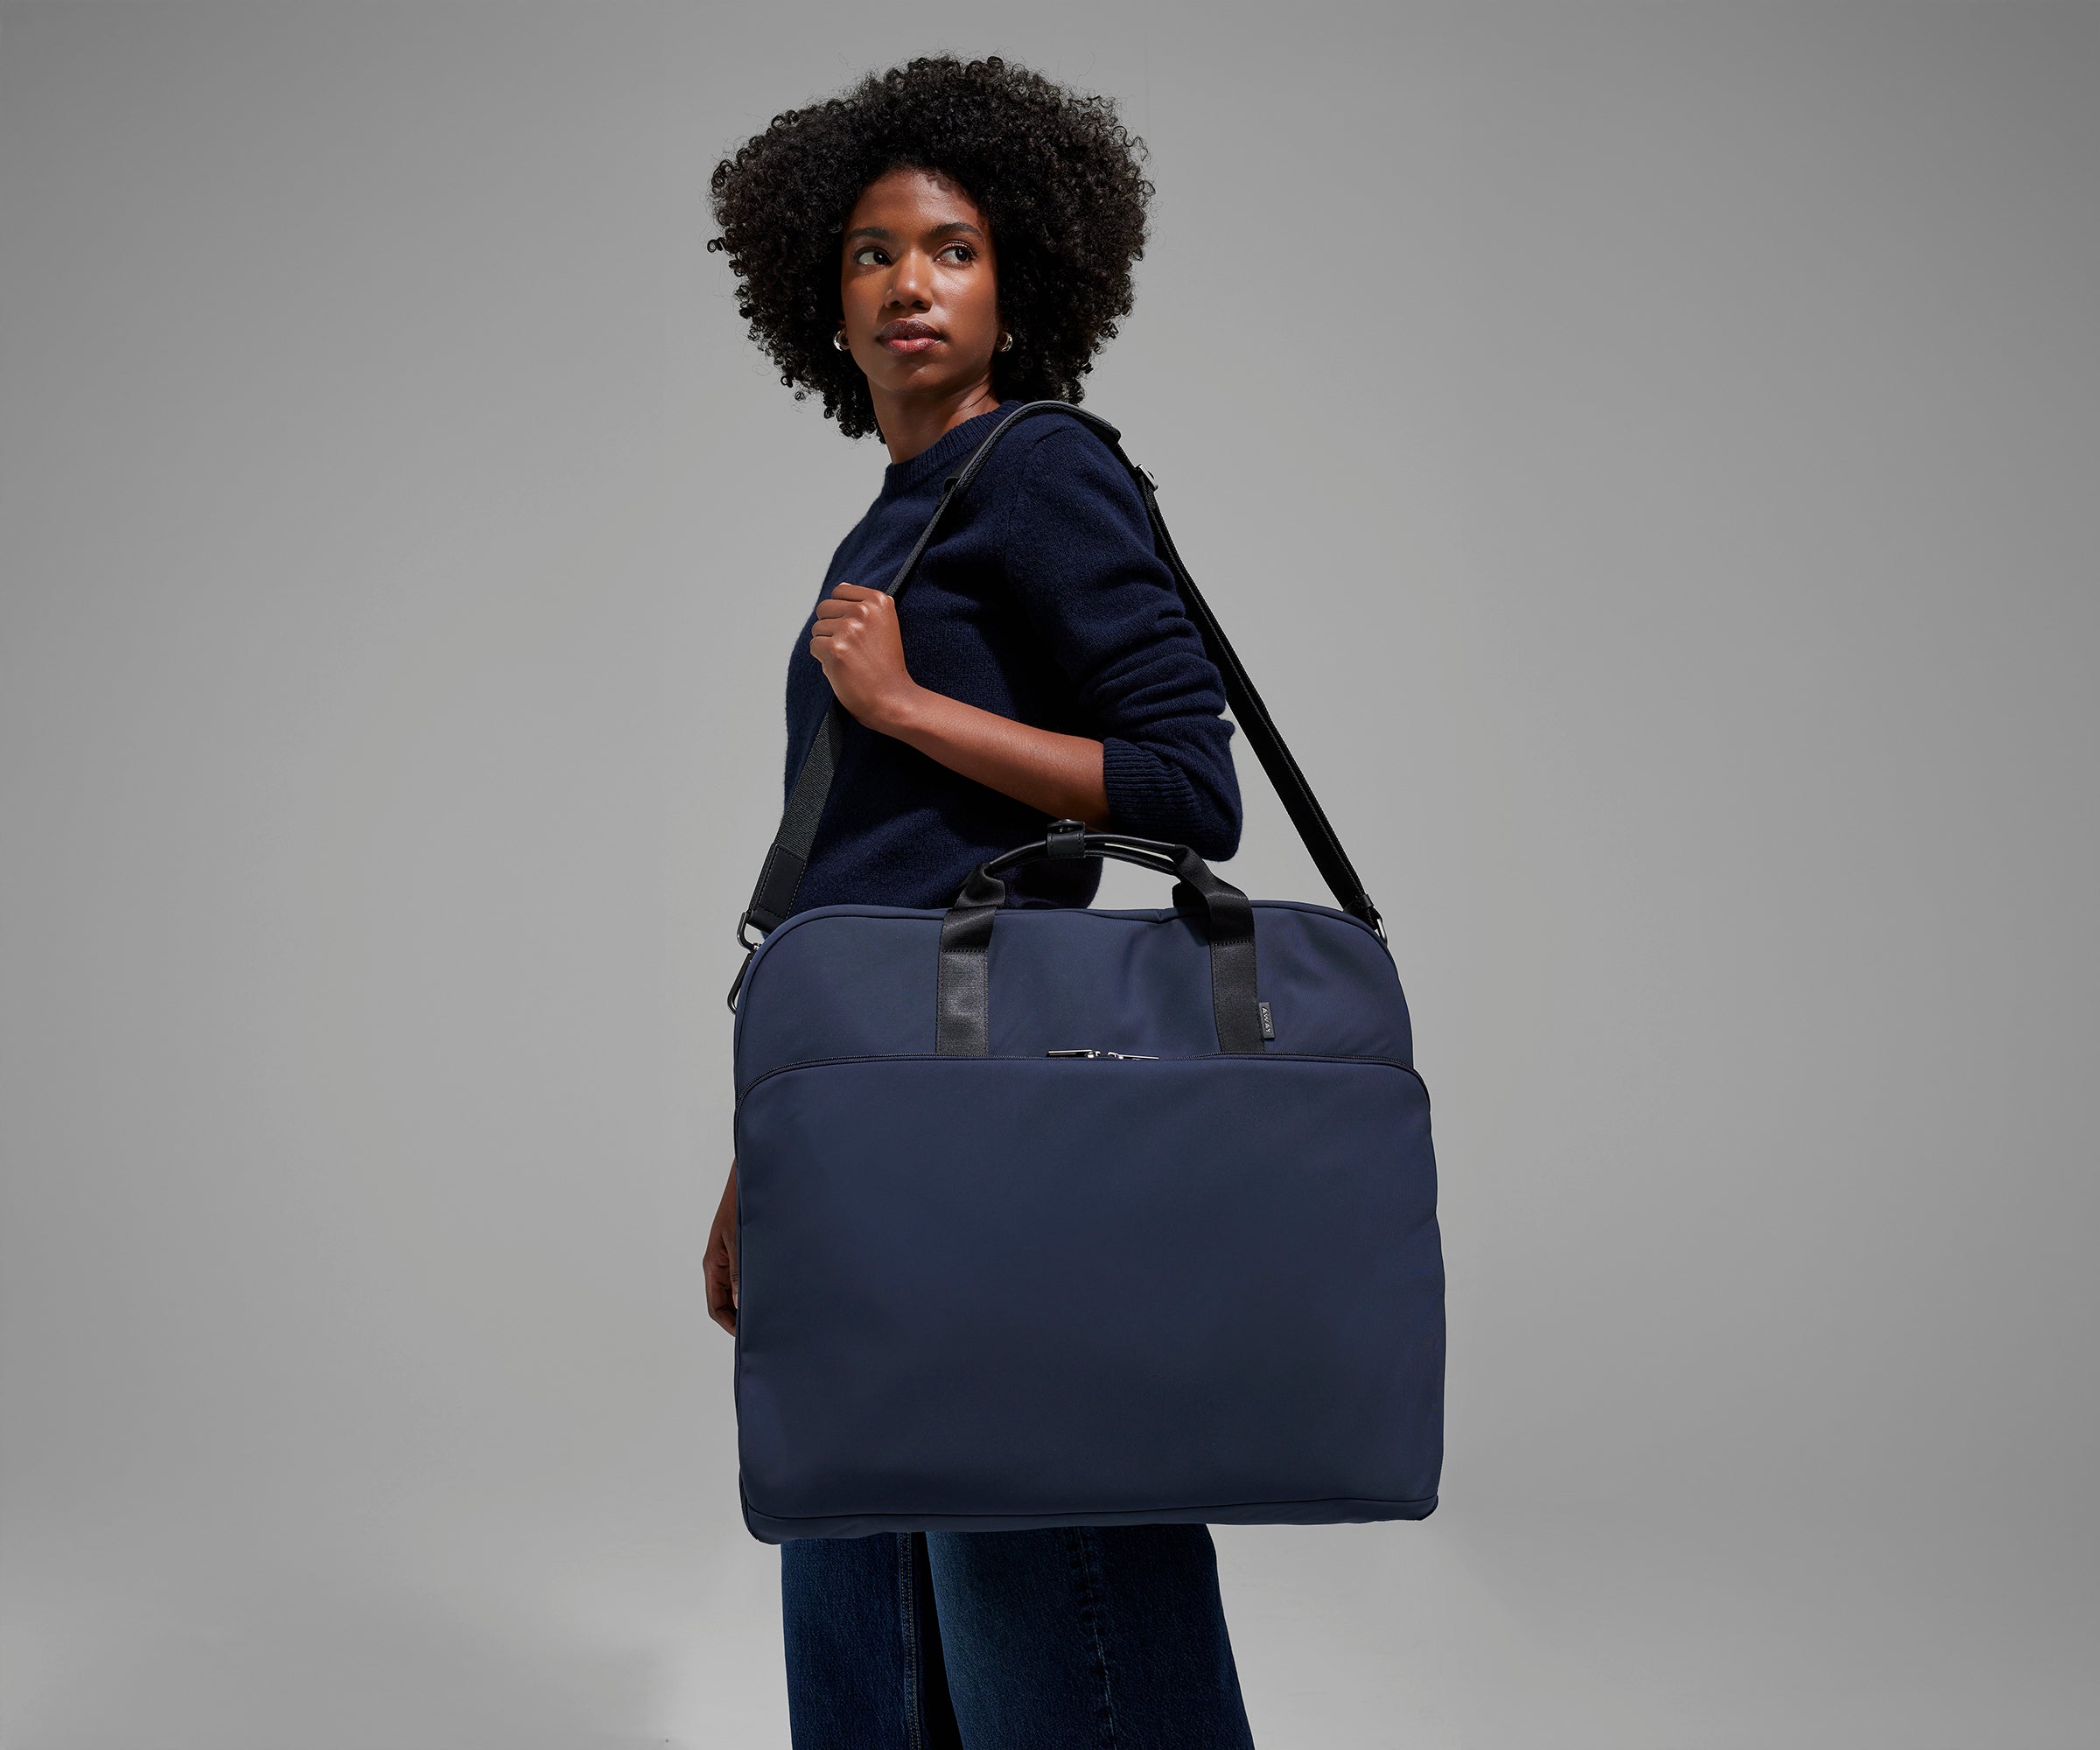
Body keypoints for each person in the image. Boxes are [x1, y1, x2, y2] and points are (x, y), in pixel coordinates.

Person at [701, 54, 1258, 1749]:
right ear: (824, 301)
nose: (908, 282)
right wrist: (767, 1149)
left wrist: (904, 705)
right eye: (872, 252)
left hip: (989, 1098)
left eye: (952, 248)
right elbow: (865, 872)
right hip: (861, 1100)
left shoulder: (1039, 468)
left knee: (1037, 1531)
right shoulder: (892, 520)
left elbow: (1188, 787)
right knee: (870, 1579)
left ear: (1021, 285)